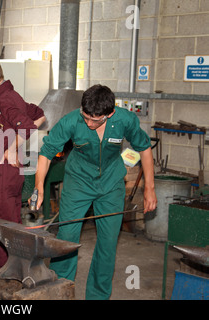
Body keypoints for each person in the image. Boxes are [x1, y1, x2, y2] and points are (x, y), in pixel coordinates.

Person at [34, 84, 157, 299]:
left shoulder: (125, 120)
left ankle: (98, 296)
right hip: (78, 182)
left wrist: (150, 189)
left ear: (110, 113)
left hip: (111, 184)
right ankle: (60, 291)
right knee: (66, 240)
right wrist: (38, 187)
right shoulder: (72, 120)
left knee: (108, 244)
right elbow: (46, 152)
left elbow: (144, 148)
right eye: (86, 117)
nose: (89, 123)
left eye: (96, 119)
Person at [0, 56, 45, 273]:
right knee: (12, 219)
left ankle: (0, 270)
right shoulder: (11, 95)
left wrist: (12, 148)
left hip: (2, 172)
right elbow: (39, 115)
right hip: (11, 171)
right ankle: (18, 266)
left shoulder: (4, 100)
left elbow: (29, 126)